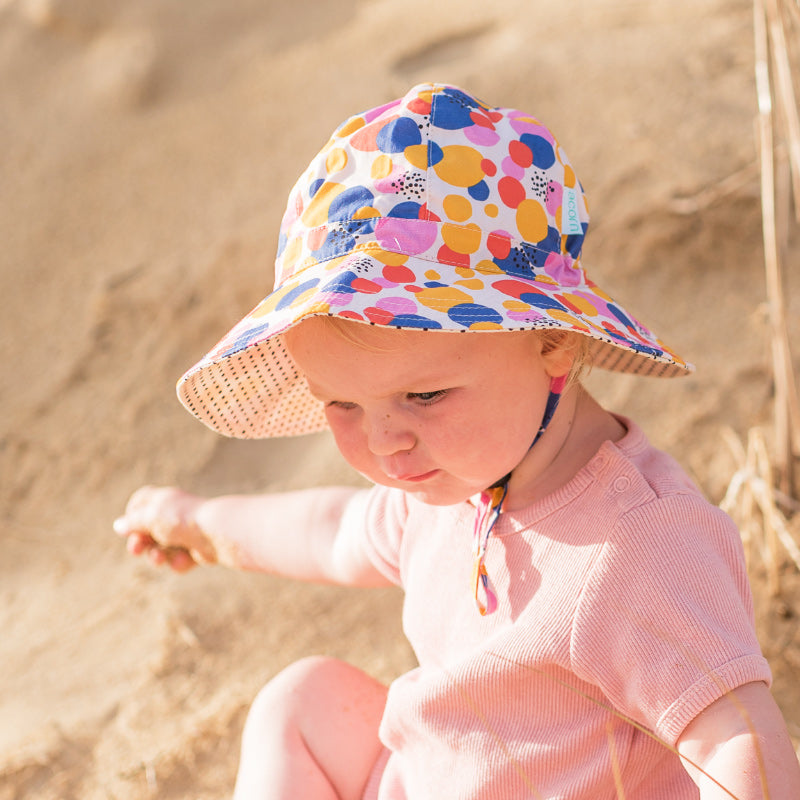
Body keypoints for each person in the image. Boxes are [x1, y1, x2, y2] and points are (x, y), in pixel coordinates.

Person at [114, 83, 800, 799]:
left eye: (425, 395)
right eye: (342, 404)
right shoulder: (450, 483)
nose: (385, 445)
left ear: (554, 341)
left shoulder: (636, 545)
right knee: (303, 700)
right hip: (433, 775)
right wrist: (199, 524)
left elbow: (735, 737)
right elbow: (334, 530)